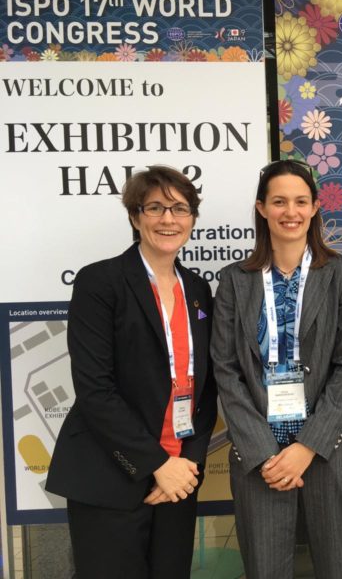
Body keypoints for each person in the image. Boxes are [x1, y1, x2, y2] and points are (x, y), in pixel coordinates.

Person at [46, 166, 217, 578]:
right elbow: (95, 390)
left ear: (192, 218)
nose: (168, 219)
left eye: (180, 208)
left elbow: (205, 388)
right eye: (155, 207)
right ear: (135, 216)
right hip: (111, 476)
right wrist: (157, 463)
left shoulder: (197, 289)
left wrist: (186, 466)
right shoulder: (100, 282)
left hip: (178, 481)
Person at [211, 159, 342, 578]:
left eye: (300, 201)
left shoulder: (340, 274)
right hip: (258, 450)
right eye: (279, 201)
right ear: (262, 208)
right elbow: (225, 370)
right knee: (265, 568)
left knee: (338, 564)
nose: (290, 212)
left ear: (316, 207)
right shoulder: (235, 280)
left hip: (327, 445)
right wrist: (264, 451)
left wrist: (307, 446)